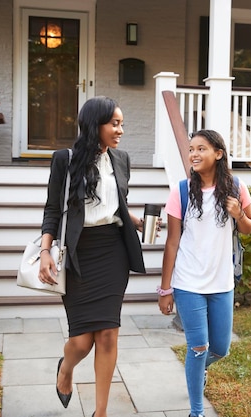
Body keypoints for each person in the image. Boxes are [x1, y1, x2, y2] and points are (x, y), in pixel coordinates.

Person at [38, 96, 146, 417]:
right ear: (94, 124)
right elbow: (53, 209)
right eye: (114, 123)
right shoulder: (65, 160)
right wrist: (46, 250)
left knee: (109, 334)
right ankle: (66, 369)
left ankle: (101, 412)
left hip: (113, 252)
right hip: (79, 255)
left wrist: (132, 219)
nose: (120, 130)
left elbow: (114, 204)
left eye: (121, 124)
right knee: (82, 343)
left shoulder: (122, 159)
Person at [158, 129, 251, 417]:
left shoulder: (237, 187)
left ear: (218, 154)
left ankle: (198, 371)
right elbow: (172, 241)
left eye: (201, 148)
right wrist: (166, 289)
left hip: (222, 282)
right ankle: (196, 411)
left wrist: (239, 214)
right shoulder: (181, 191)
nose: (194, 154)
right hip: (188, 282)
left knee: (220, 349)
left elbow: (249, 227)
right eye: (191, 149)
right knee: (198, 346)